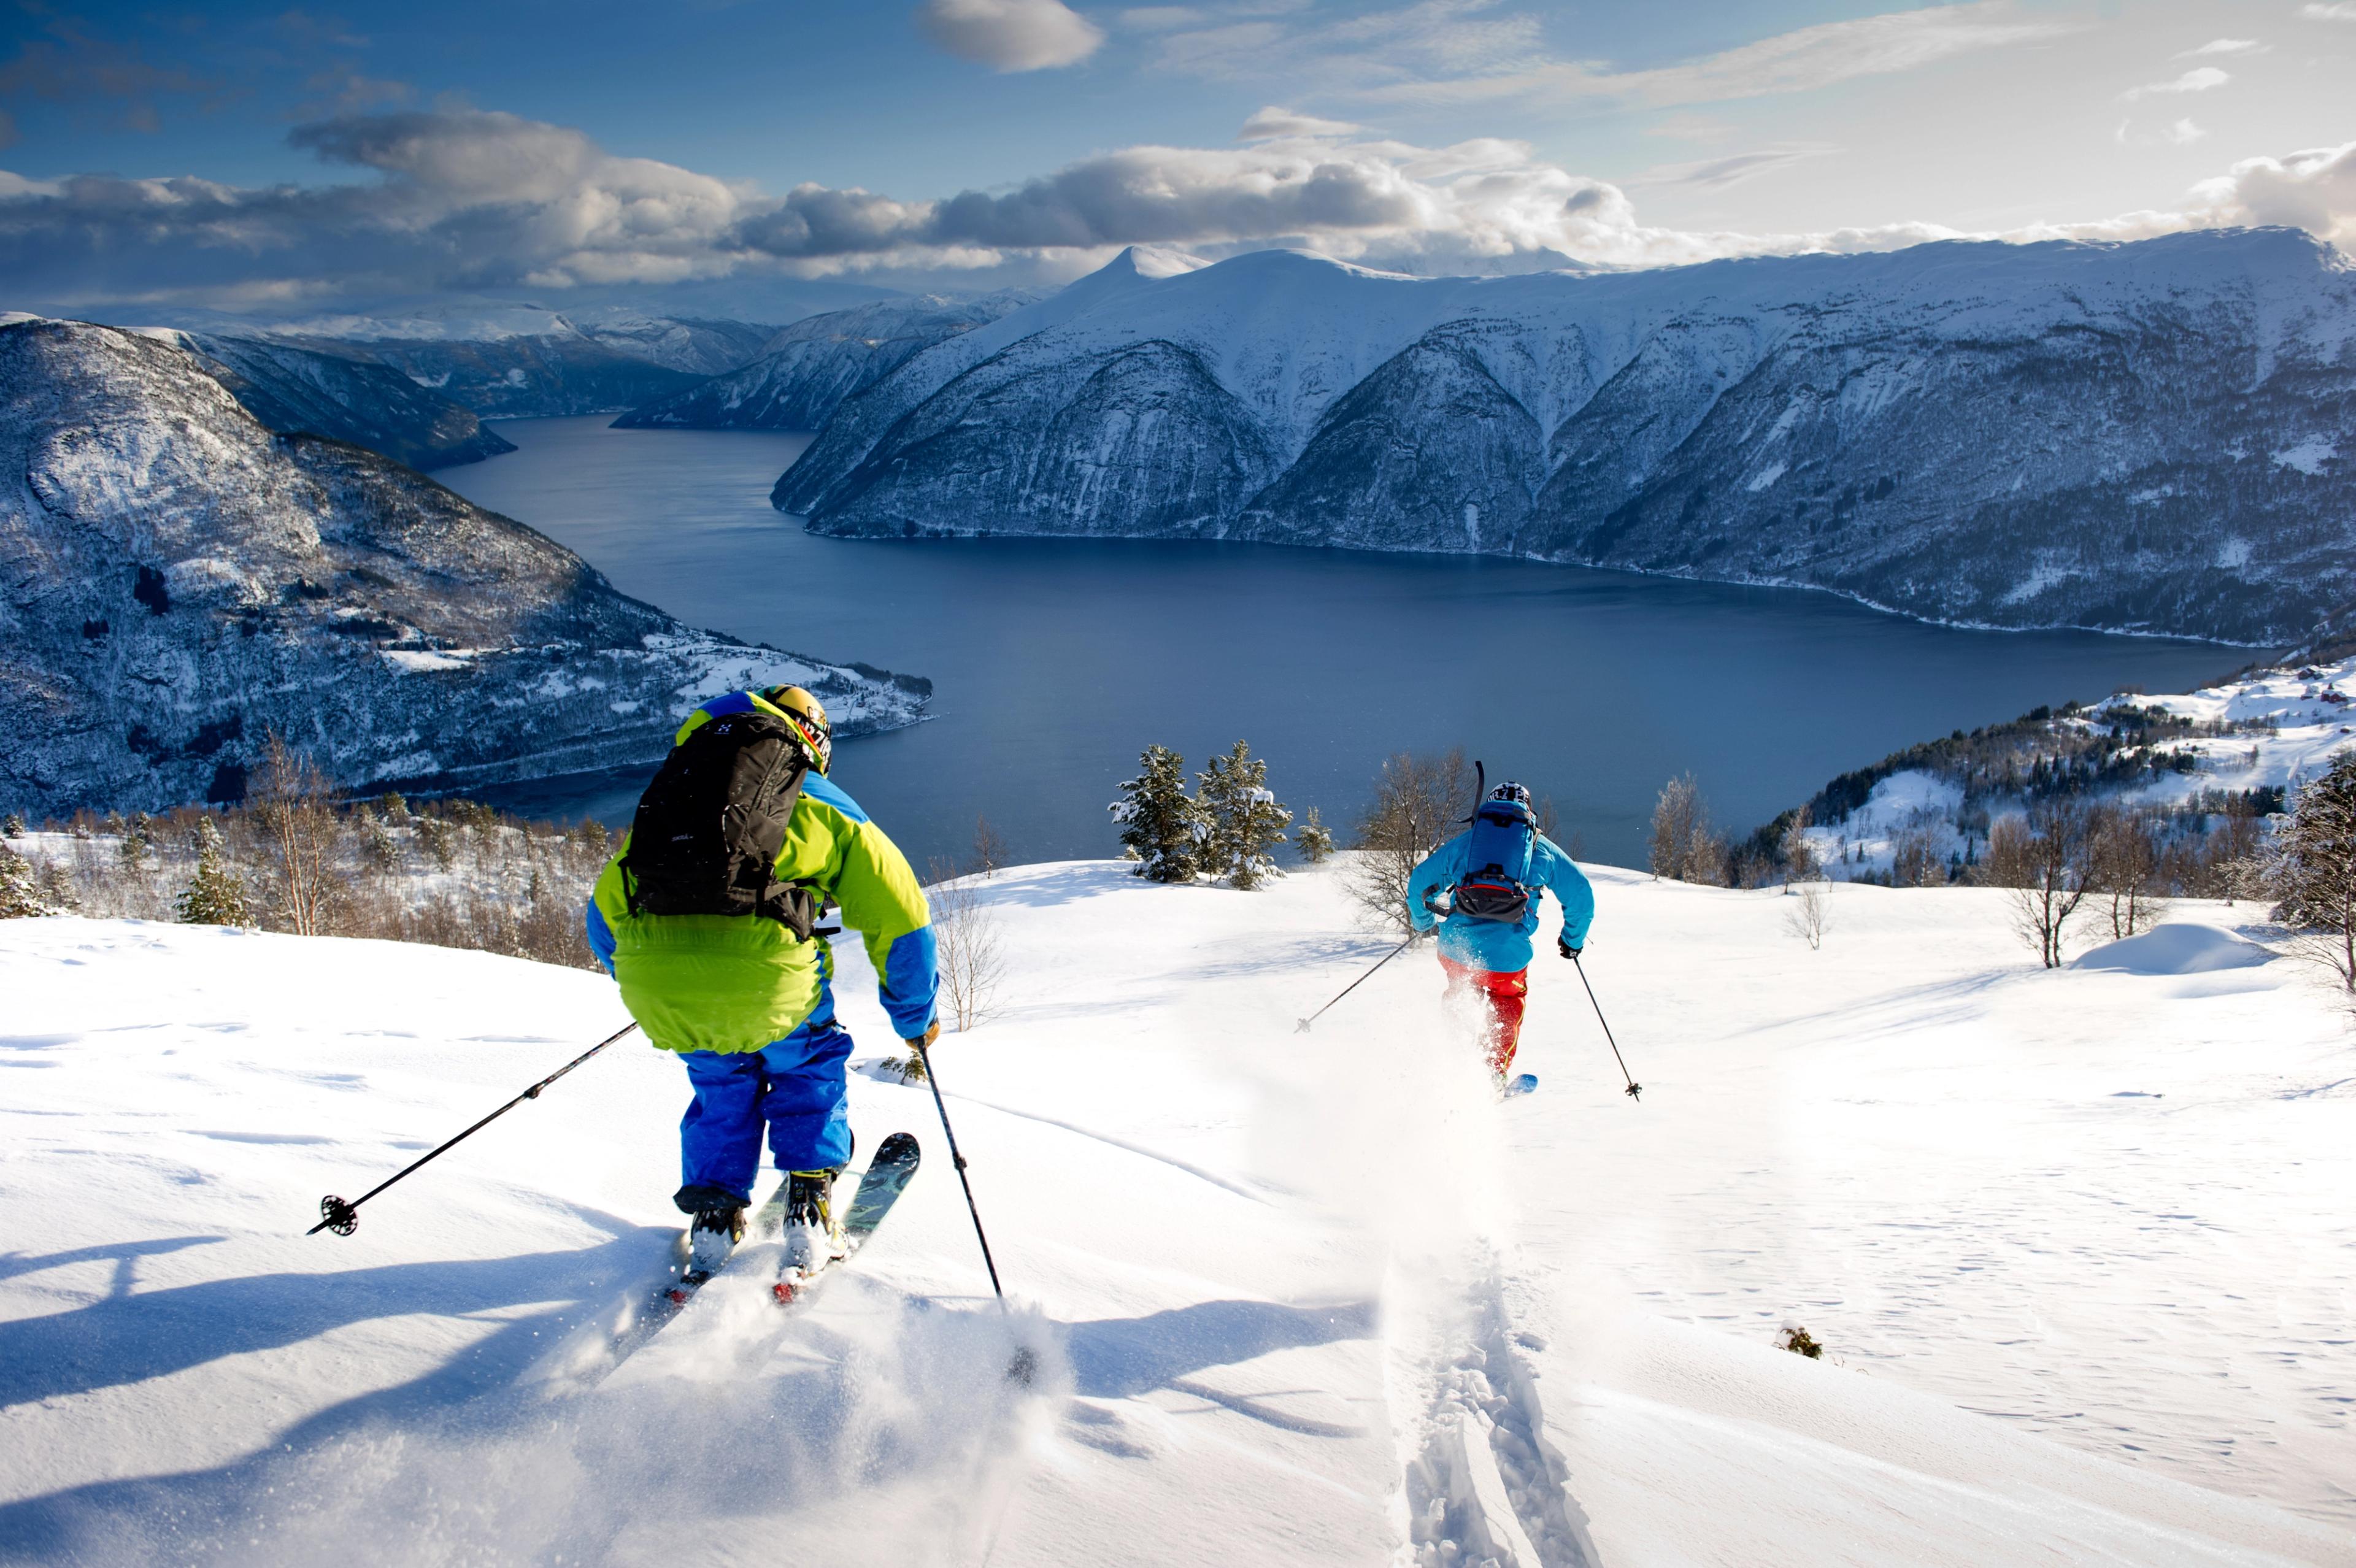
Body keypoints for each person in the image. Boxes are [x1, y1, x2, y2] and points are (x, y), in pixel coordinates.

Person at [585, 684, 938, 1276]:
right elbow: (901, 917)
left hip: (662, 985)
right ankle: (808, 1204)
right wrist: (915, 1016)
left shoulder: (675, 797)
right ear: (814, 743)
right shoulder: (821, 802)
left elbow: (604, 917)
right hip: (772, 985)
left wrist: (661, 981)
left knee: (721, 1082)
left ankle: (715, 1216)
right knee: (808, 1066)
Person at [1406, 781, 1593, 1083]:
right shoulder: (1539, 849)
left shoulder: (1469, 843)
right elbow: (1581, 894)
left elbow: (1419, 884)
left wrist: (1424, 924)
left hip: (1457, 949)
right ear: (1528, 812)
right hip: (1506, 958)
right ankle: (1492, 1074)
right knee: (1507, 1000)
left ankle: (1450, 1061)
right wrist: (1572, 941)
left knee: (1461, 991)